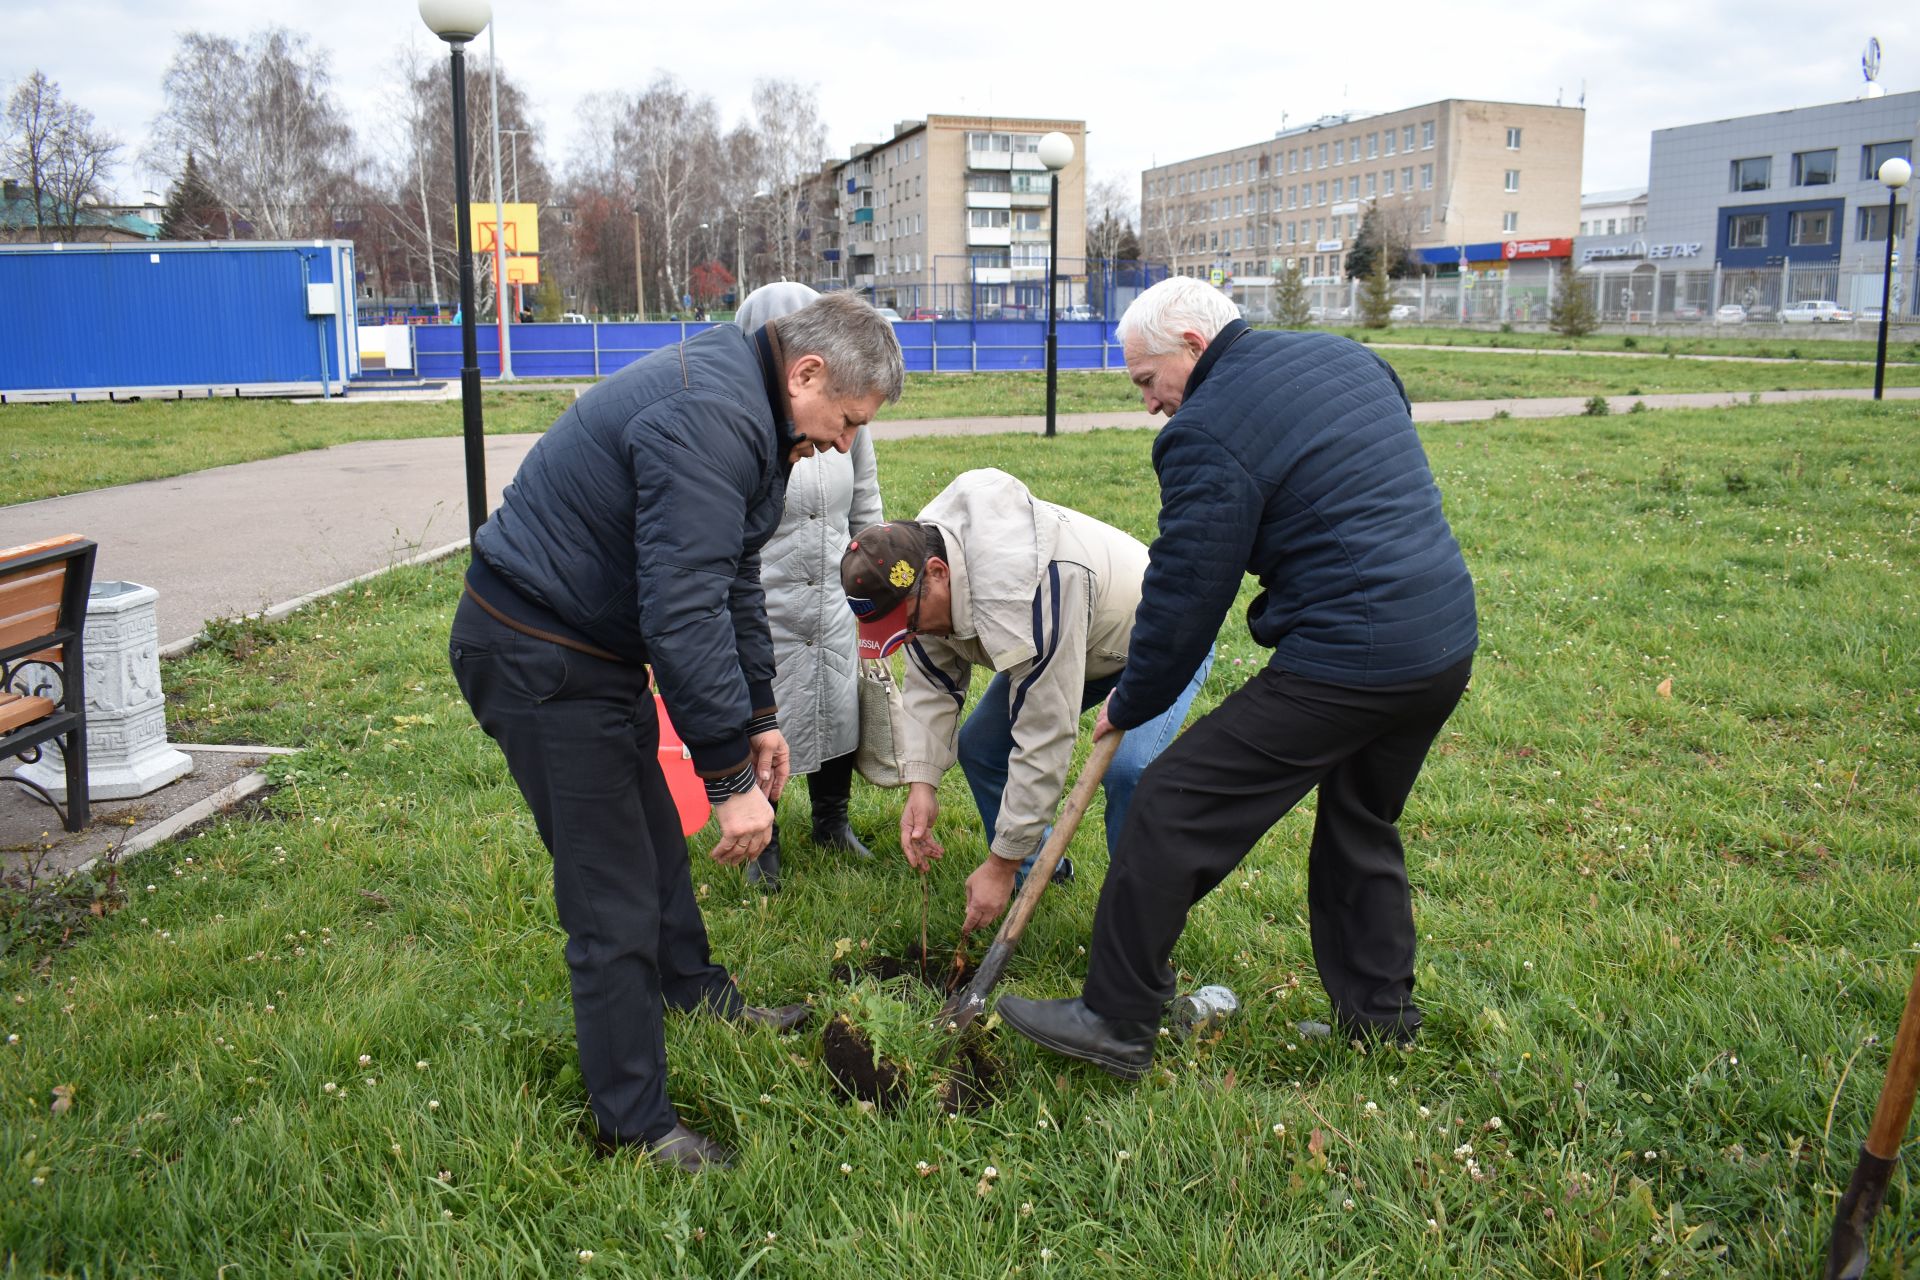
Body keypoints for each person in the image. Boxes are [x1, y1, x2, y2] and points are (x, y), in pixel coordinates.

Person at [449, 292, 905, 1169]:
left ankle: (697, 996)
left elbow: (733, 576)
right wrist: (729, 783)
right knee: (611, 895)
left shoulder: (756, 408)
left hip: (588, 647)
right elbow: (682, 613)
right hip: (536, 652)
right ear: (806, 373)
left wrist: (760, 719)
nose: (846, 445)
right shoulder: (712, 417)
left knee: (655, 842)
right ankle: (636, 1127)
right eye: (846, 422)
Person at [996, 276, 1477, 1080]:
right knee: (1362, 824)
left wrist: (1134, 695)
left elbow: (1187, 594)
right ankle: (1379, 1025)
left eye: (1148, 382)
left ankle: (1116, 1017)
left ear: (1193, 345)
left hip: (1350, 654)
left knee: (1170, 804)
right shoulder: (1345, 357)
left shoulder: (1207, 431)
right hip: (1440, 640)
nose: (1150, 405)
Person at [839, 468, 1212, 934]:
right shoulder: (917, 571)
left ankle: (1137, 924)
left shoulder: (1034, 591)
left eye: (908, 623)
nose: (910, 635)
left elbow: (1042, 735)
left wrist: (1000, 863)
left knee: (1130, 773)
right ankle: (1042, 868)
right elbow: (933, 682)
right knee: (981, 748)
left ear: (937, 574)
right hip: (1080, 644)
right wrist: (923, 782)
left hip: (1164, 637)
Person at [734, 283, 885, 891]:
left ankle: (832, 821)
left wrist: (874, 574)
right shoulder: (748, 418)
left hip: (832, 591)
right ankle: (759, 838)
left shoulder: (846, 415)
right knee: (766, 712)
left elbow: (866, 497)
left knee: (837, 704)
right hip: (765, 597)